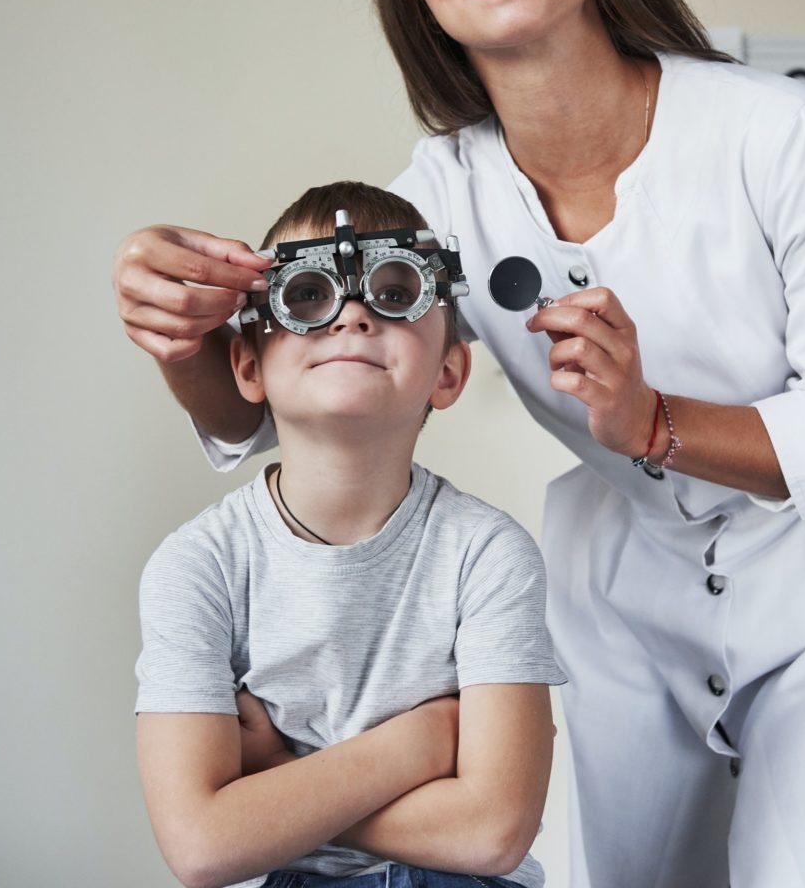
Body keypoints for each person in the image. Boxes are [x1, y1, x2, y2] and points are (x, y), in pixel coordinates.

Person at [115, 0, 805, 886]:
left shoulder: (775, 134)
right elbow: (283, 403)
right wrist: (180, 331)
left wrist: (652, 420)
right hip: (638, 597)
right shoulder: (437, 206)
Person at [134, 181, 566, 888]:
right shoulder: (199, 566)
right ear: (247, 365)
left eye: (397, 292)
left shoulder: (488, 555)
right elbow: (200, 846)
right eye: (308, 295)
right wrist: (420, 744)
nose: (353, 314)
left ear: (449, 372)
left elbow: (493, 834)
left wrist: (276, 778)